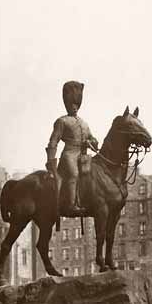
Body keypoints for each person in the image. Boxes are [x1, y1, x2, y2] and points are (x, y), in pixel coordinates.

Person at [46, 80, 99, 216]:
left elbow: (92, 139)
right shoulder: (62, 121)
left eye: (76, 105)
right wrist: (51, 161)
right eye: (71, 105)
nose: (74, 107)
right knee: (74, 174)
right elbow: (53, 141)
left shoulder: (84, 123)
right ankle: (70, 205)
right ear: (67, 106)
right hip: (69, 154)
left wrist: (92, 141)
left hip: (83, 155)